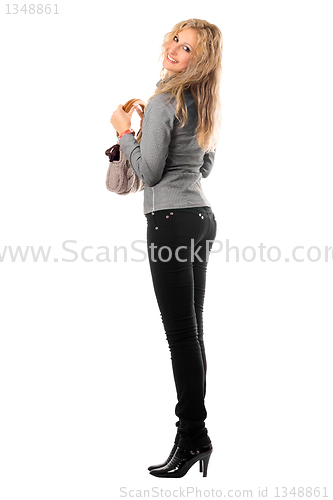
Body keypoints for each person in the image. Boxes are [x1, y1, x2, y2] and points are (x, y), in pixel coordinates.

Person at [110, 18, 223, 478]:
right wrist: (147, 131)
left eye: (188, 47)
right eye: (176, 38)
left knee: (181, 338)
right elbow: (206, 166)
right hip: (201, 219)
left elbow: (152, 173)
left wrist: (124, 131)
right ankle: (193, 435)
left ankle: (194, 436)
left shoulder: (162, 101)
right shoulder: (205, 103)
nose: (176, 48)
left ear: (201, 59)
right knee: (191, 334)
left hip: (172, 224)